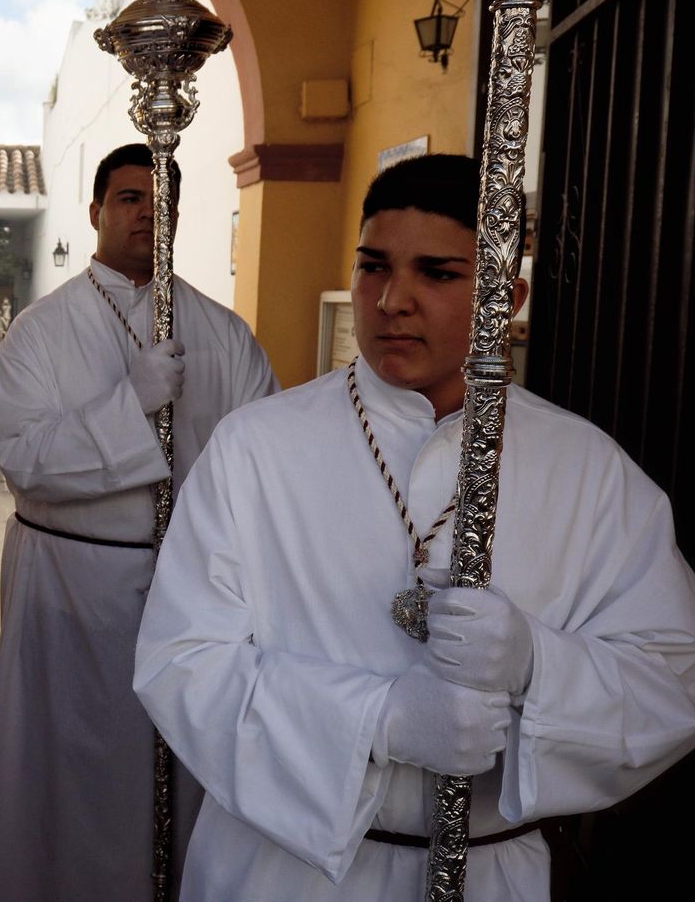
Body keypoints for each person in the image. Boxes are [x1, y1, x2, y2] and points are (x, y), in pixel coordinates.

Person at [132, 154, 695, 901]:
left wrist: (538, 665)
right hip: (284, 872)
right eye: (373, 267)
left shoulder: (589, 472)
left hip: (488, 870)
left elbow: (671, 679)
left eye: (437, 273)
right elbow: (181, 662)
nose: (392, 300)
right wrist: (378, 721)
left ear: (508, 297)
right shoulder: (257, 448)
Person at [0, 143, 279, 902]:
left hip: (190, 591)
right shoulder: (41, 332)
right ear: (97, 211)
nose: (146, 213)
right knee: (65, 773)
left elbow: (267, 467)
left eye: (160, 199)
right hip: (67, 589)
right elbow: (23, 457)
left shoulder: (224, 334)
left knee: (179, 772)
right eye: (130, 197)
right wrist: (127, 407)